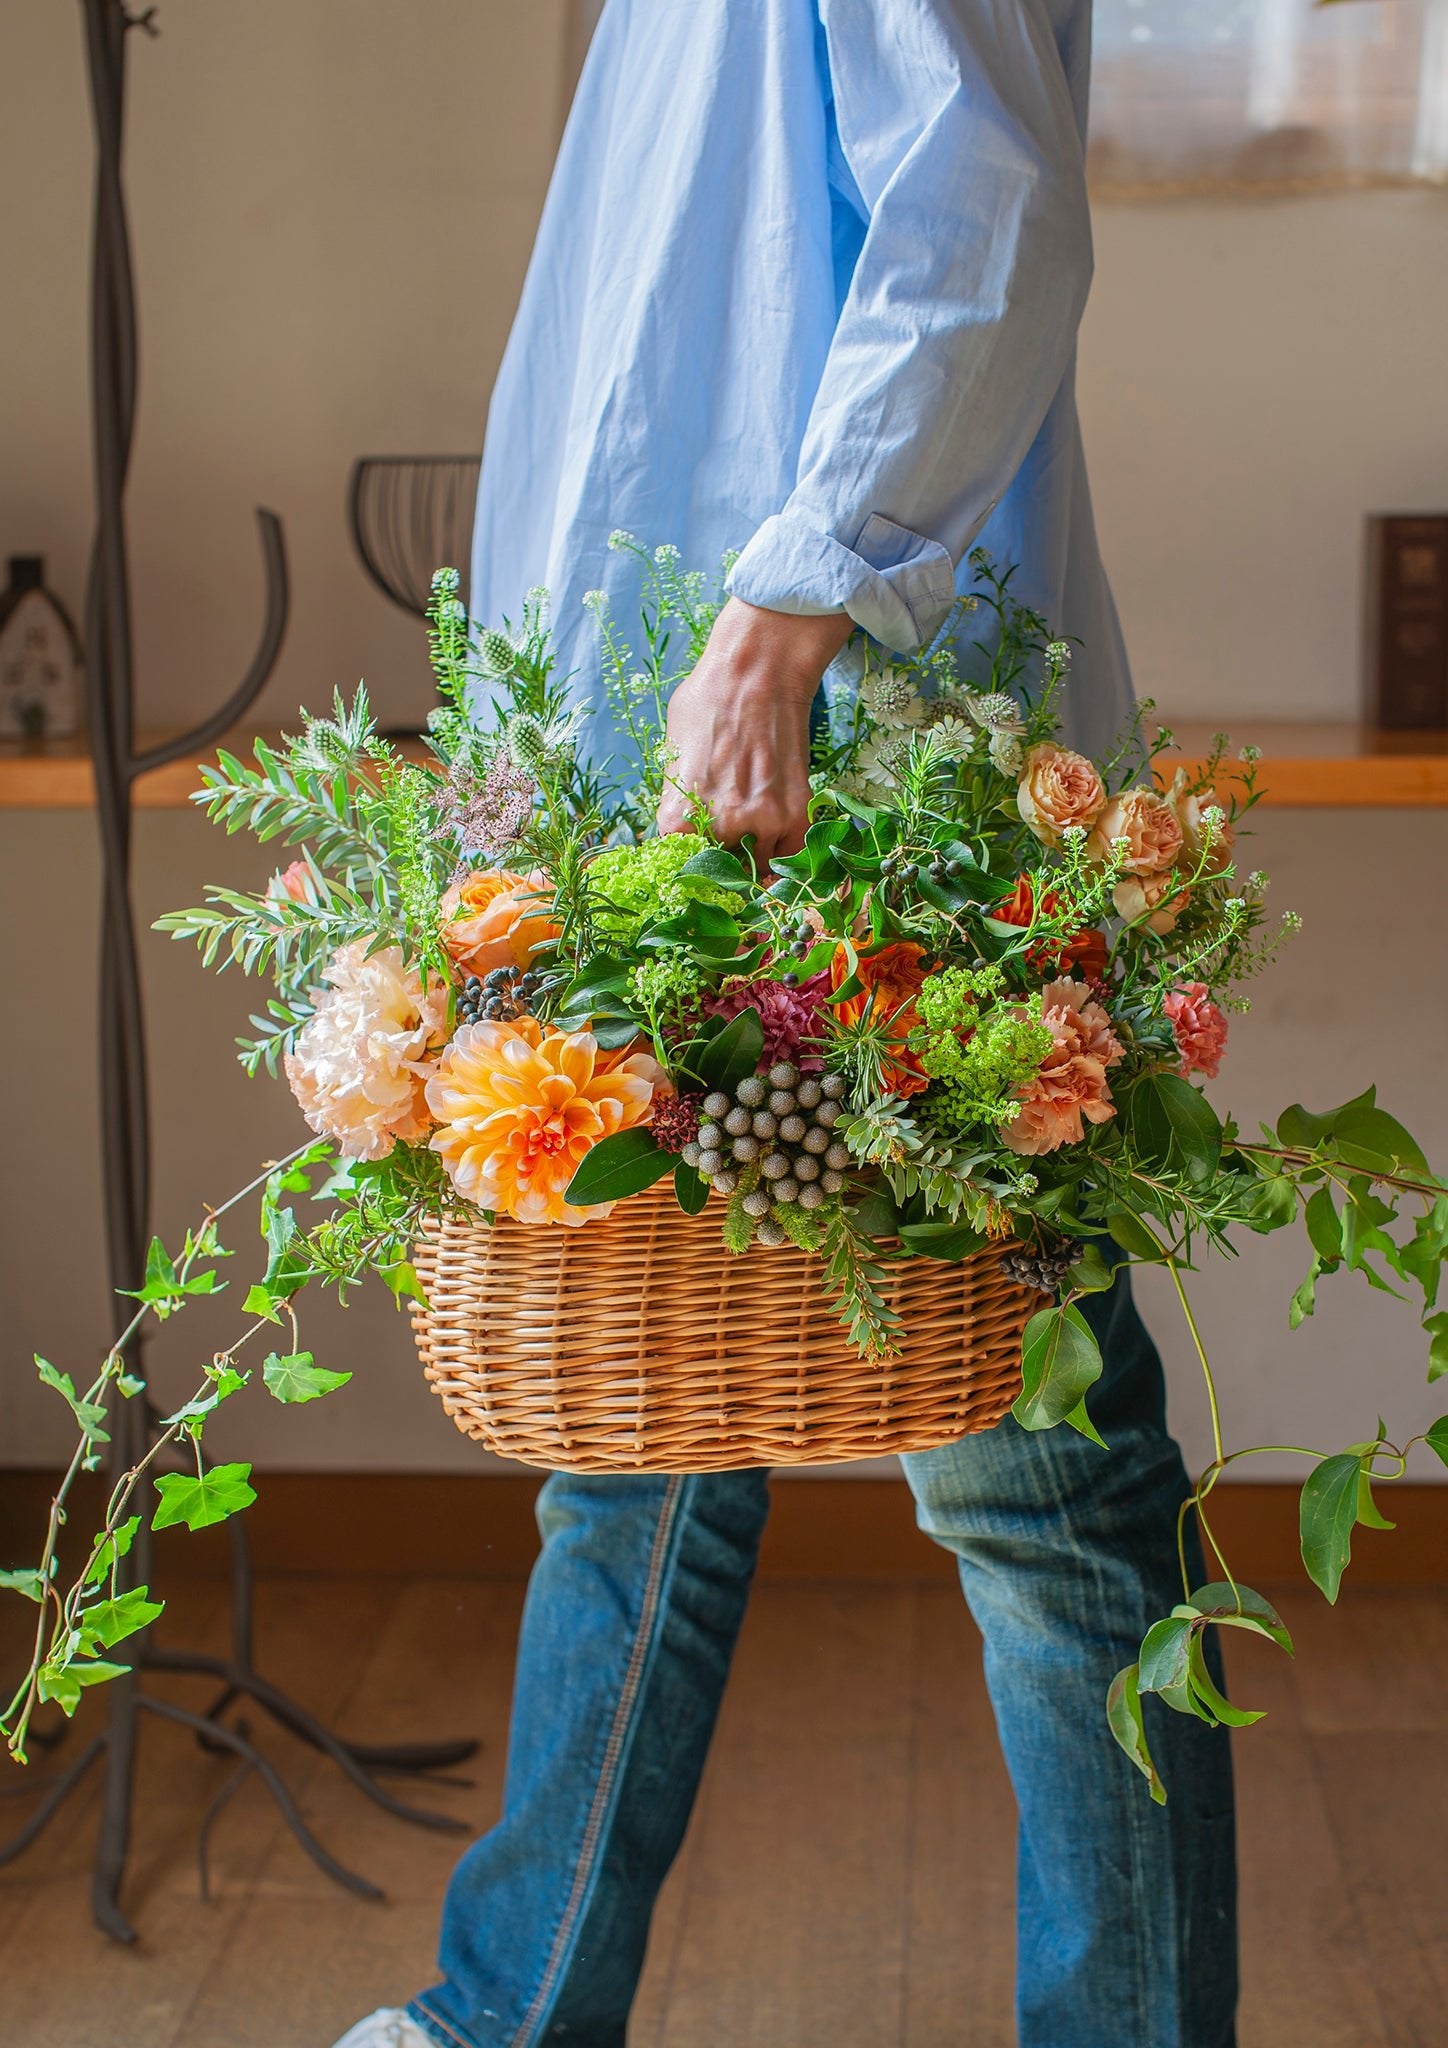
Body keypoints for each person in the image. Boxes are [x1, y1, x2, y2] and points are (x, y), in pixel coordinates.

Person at [334, 3, 1237, 2045]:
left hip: (842, 753)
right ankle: (511, 2011)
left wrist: (784, 611)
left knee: (1040, 1472)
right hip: (666, 766)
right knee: (627, 1424)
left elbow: (982, 215)